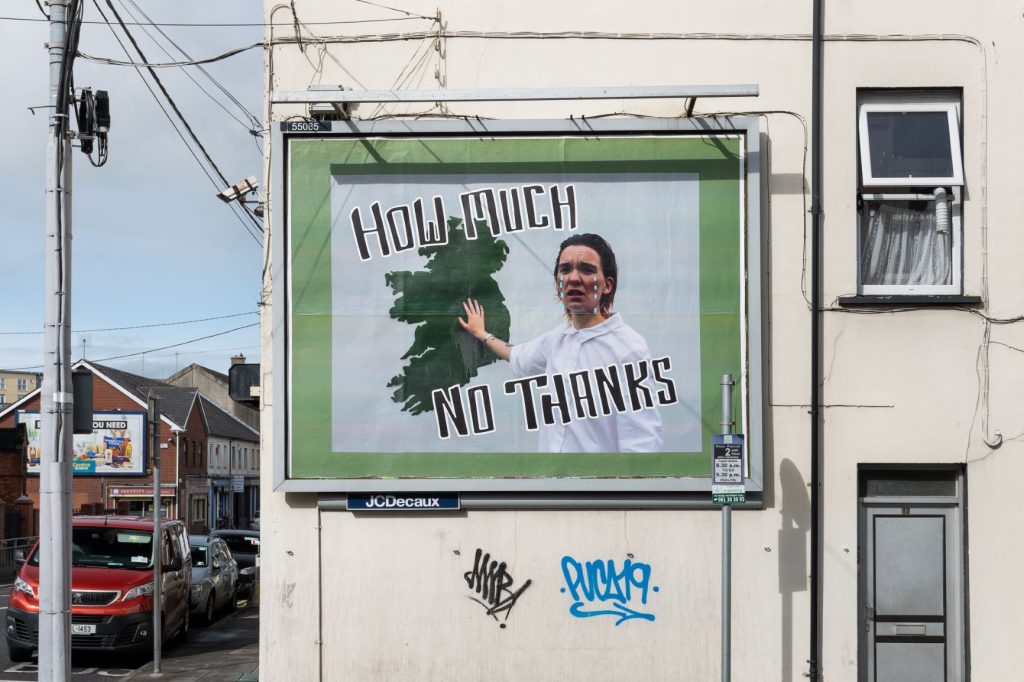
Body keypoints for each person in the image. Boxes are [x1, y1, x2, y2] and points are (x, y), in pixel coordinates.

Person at [459, 233, 663, 452]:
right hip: (550, 484)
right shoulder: (556, 340)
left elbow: (642, 443)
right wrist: (482, 334)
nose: (574, 278)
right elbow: (516, 354)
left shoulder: (628, 348)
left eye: (586, 269)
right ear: (558, 282)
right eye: (565, 270)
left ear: (607, 285)